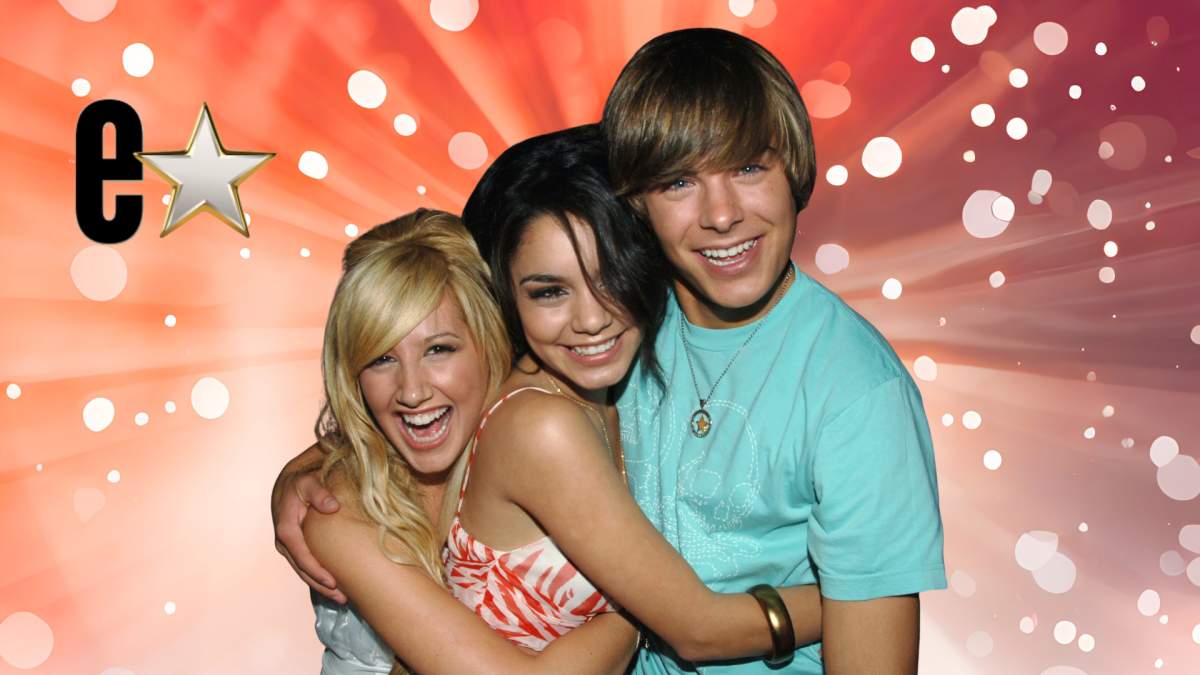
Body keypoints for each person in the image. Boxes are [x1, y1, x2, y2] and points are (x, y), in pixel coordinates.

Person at [278, 126, 824, 669]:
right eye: (551, 291)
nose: (591, 320)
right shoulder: (339, 507)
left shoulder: (602, 375)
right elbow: (696, 628)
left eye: (440, 348)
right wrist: (859, 591)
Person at [601, 29, 945, 673]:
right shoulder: (608, 328)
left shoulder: (859, 390)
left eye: (748, 168)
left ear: (793, 170)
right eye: (678, 182)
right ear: (636, 204)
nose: (721, 214)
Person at [297, 209, 637, 674]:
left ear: (488, 340)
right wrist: (640, 612)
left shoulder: (547, 429)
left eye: (439, 349)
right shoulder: (341, 510)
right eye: (380, 359)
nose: (411, 391)